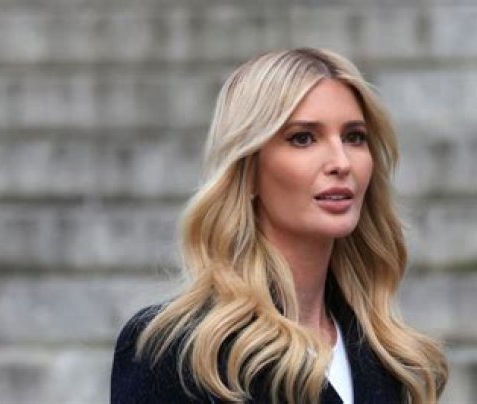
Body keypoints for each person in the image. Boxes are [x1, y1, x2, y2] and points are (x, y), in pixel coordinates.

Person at [111, 48, 448, 404]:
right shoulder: (174, 350)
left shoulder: (387, 357)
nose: (341, 162)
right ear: (248, 168)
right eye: (303, 138)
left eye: (354, 137)